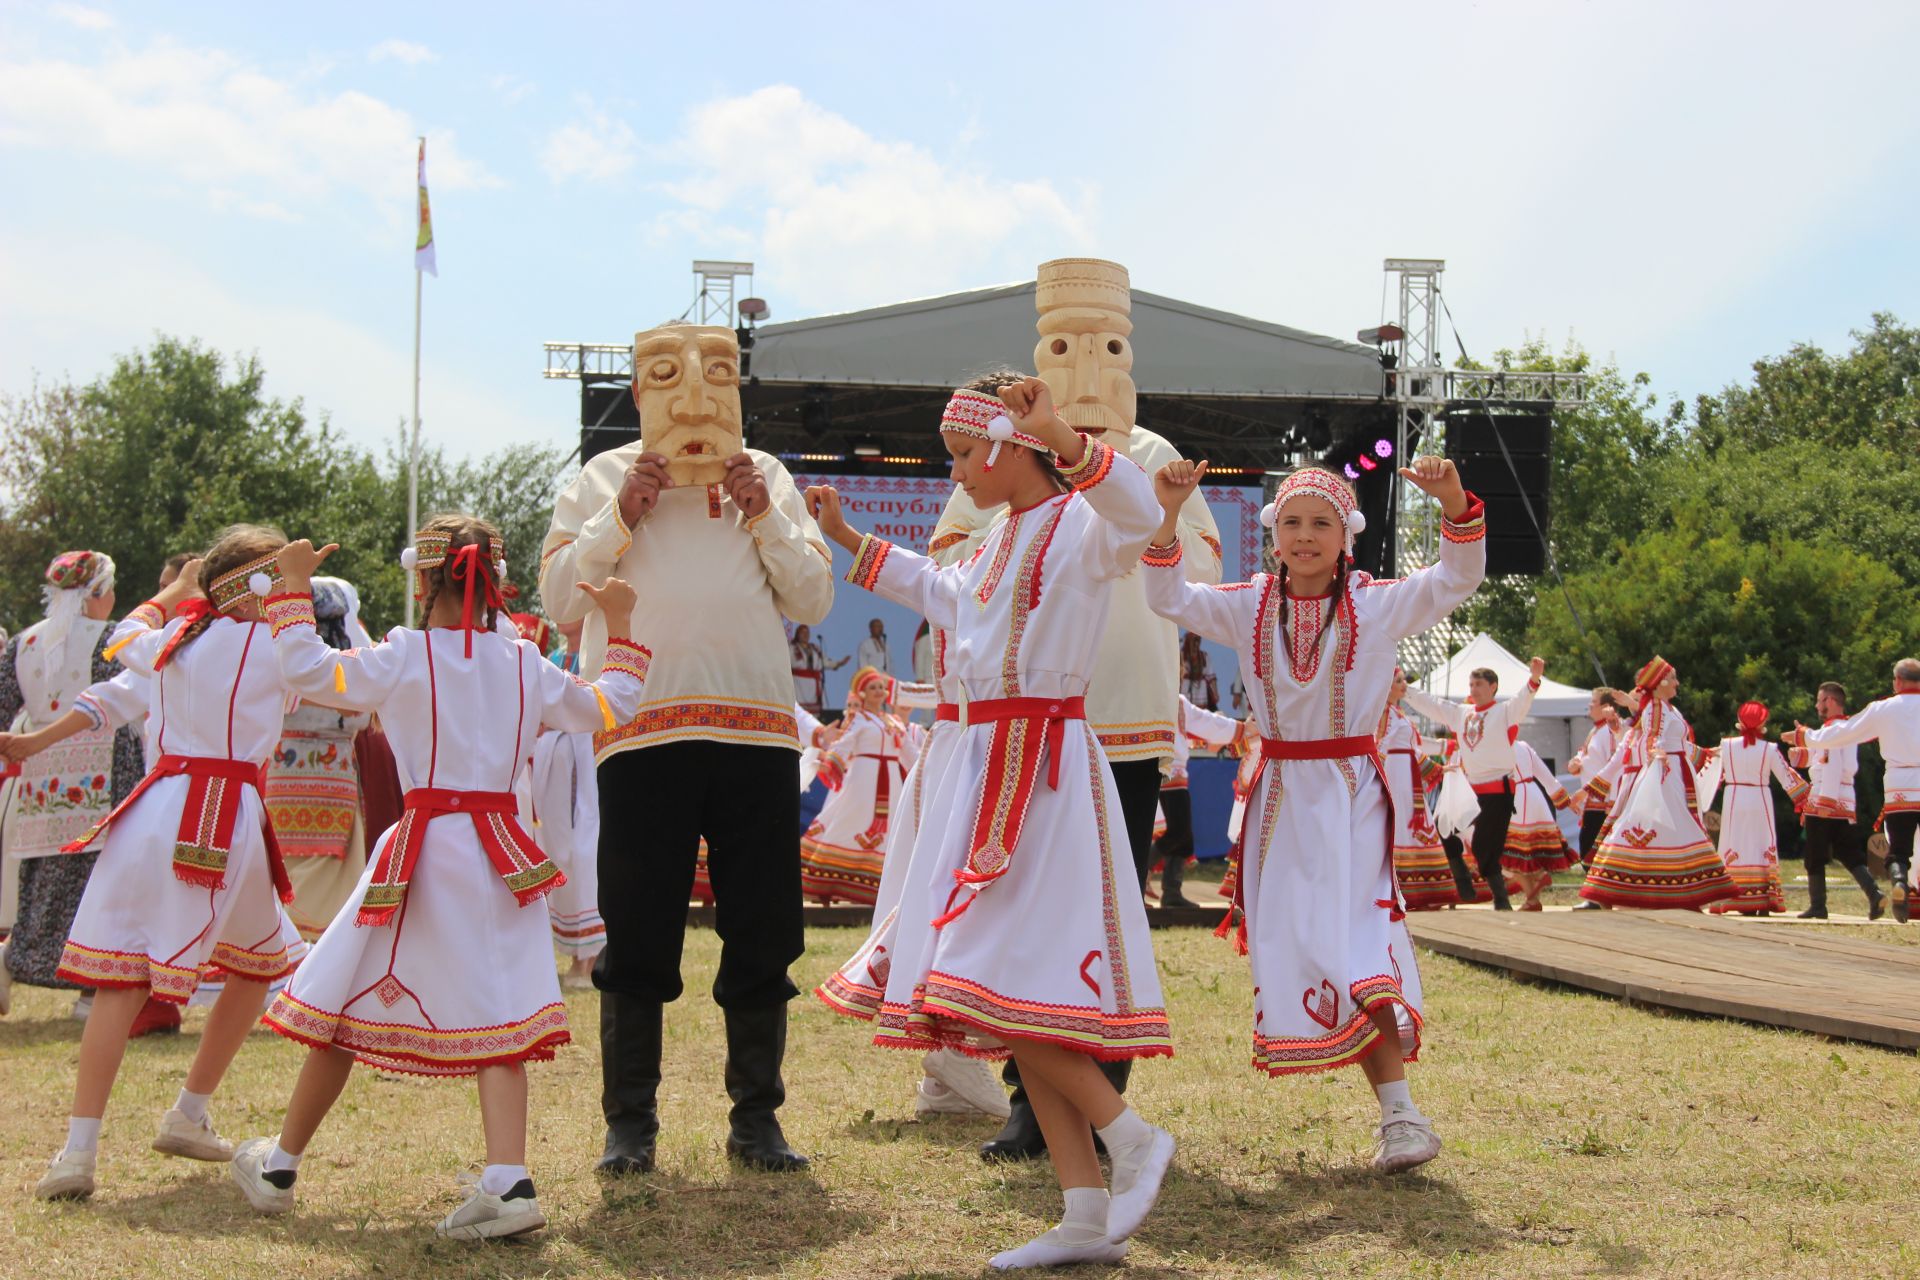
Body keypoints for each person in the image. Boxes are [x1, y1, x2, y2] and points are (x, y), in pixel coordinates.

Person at [809, 376, 1176, 1269]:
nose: (959, 474)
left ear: (1014, 448)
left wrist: (1057, 425)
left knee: (986, 981)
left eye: (969, 455)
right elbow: (942, 592)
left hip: (1039, 768)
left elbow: (1136, 509)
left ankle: (1130, 1139)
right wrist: (850, 540)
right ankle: (1085, 1211)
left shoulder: (1086, 525)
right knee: (1011, 997)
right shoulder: (997, 538)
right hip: (982, 768)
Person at [223, 522, 646, 1239]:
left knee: (343, 1004)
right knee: (501, 1017)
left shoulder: (403, 654)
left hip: (420, 853)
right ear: (491, 583)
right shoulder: (524, 664)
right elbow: (611, 706)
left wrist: (293, 587)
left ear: (424, 583)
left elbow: (306, 670)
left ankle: (283, 1164)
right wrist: (623, 621)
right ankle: (506, 1179)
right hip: (503, 856)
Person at [539, 322, 834, 1176]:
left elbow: (813, 599)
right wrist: (621, 510)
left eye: (718, 377)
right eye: (667, 378)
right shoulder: (597, 477)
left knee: (763, 930)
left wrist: (762, 511)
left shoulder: (768, 475)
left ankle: (757, 1120)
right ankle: (630, 1125)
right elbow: (561, 601)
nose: (695, 396)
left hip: (755, 733)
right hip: (642, 731)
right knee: (635, 933)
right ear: (639, 392)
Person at [1142, 454, 1484, 1176]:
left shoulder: (1375, 602)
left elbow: (1456, 579)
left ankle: (1401, 1113)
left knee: (1352, 944)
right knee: (1304, 945)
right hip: (1280, 803)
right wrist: (1168, 511)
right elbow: (1168, 595)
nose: (1304, 536)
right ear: (1272, 534)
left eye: (1320, 522)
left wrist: (1453, 501)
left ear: (1345, 534)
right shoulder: (1249, 603)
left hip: (1351, 793)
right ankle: (1398, 1113)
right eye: (1291, 522)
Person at [21, 530, 306, 1201]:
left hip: (156, 812)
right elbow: (321, 672)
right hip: (228, 816)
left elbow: (118, 650)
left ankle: (78, 1152)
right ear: (261, 587)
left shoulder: (174, 641)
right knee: (256, 966)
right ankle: (189, 1107)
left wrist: (170, 598)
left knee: (125, 979)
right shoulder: (277, 648)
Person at [0, 551, 165, 1033]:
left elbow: (4, 704)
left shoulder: (23, 644)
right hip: (104, 762)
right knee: (101, 872)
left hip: (44, 767)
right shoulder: (111, 641)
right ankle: (90, 986)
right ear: (97, 593)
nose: (112, 599)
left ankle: (16, 959)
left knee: (47, 872)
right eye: (109, 590)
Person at [265, 577, 376, 941]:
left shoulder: (282, 654)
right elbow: (362, 714)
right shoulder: (346, 659)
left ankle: (283, 940)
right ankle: (314, 946)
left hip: (286, 769)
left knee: (283, 859)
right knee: (331, 869)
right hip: (333, 770)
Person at [1576, 657, 1735, 910]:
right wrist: (1656, 754)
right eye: (1672, 678)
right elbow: (1653, 737)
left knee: (1672, 829)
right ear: (1660, 682)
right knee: (1667, 827)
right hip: (1664, 774)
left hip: (1673, 772)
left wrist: (1705, 753)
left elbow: (1677, 743)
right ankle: (1619, 890)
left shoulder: (1669, 708)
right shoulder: (1656, 708)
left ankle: (1684, 893)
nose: (1677, 683)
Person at [1403, 660, 1545, 911]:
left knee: (1483, 846)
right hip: (1469, 788)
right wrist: (1407, 691)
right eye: (1471, 684)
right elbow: (1434, 705)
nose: (1474, 688)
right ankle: (1462, 881)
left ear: (1493, 687)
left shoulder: (1505, 711)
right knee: (1443, 829)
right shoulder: (1462, 713)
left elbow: (1523, 700)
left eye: (1479, 684)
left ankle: (1500, 899)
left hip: (1498, 789)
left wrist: (1533, 680)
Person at [1787, 659, 1920, 923]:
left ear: (1897, 682)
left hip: (1900, 786)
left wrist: (1806, 736)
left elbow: (1844, 733)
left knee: (1899, 850)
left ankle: (1899, 880)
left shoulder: (1884, 709)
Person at [799, 667, 917, 906]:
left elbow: (910, 754)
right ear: (861, 693)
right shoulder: (859, 719)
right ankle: (824, 883)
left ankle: (878, 889)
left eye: (880, 687)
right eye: (872, 687)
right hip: (863, 778)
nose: (878, 691)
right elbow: (844, 745)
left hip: (890, 780)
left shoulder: (893, 722)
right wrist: (829, 763)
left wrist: (926, 771)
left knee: (888, 830)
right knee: (849, 820)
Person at [1786, 681, 1885, 920]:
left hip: (1826, 800)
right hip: (1845, 799)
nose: (1817, 705)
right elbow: (1824, 760)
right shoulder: (1845, 728)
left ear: (1830, 702)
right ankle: (1874, 893)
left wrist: (1825, 803)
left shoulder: (1833, 730)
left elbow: (1831, 765)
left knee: (1814, 855)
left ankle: (1818, 906)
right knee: (1848, 852)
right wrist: (1801, 750)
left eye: (1820, 700)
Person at [1698, 702, 1808, 916]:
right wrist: (1806, 799)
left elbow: (1709, 769)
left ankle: (1732, 895)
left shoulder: (1727, 746)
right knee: (1760, 844)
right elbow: (1787, 778)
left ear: (1739, 722)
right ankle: (1762, 898)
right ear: (1763, 723)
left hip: (1734, 798)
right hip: (1759, 799)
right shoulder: (1770, 749)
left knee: (1734, 841)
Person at [1379, 672, 1462, 911]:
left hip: (1407, 775)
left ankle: (1423, 890)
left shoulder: (1398, 714)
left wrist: (1445, 755)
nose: (1404, 685)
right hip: (1395, 775)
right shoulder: (1382, 713)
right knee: (1403, 824)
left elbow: (1413, 748)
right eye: (1399, 681)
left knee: (1414, 824)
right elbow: (1380, 744)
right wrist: (1378, 774)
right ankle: (1404, 891)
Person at [1154, 694, 1241, 908]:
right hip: (1170, 772)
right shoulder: (1175, 700)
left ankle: (1171, 891)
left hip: (1165, 770)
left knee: (1182, 838)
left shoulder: (1167, 698)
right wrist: (1240, 728)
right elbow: (1205, 722)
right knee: (1178, 833)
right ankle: (1139, 875)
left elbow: (1198, 728)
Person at [1502, 738, 1577, 910]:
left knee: (1508, 853)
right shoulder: (1524, 746)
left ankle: (1538, 880)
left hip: (1516, 798)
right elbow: (1545, 775)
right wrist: (1564, 800)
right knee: (1528, 851)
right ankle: (1532, 900)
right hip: (1535, 795)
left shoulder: (1496, 746)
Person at [1566, 688, 1629, 868]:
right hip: (1593, 800)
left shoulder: (1611, 730)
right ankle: (1597, 895)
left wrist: (1609, 801)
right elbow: (1588, 754)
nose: (1589, 705)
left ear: (1606, 707)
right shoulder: (1597, 730)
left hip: (1602, 803)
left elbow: (1614, 764)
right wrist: (1576, 763)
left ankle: (1599, 894)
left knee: (1592, 854)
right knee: (1589, 852)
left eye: (1593, 702)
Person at [1179, 632, 1217, 711]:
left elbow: (1211, 676)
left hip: (1200, 690)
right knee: (1185, 709)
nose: (1196, 643)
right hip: (1185, 687)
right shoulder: (1181, 655)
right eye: (1194, 641)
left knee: (1201, 712)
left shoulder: (1204, 656)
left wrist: (1215, 693)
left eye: (1198, 640)